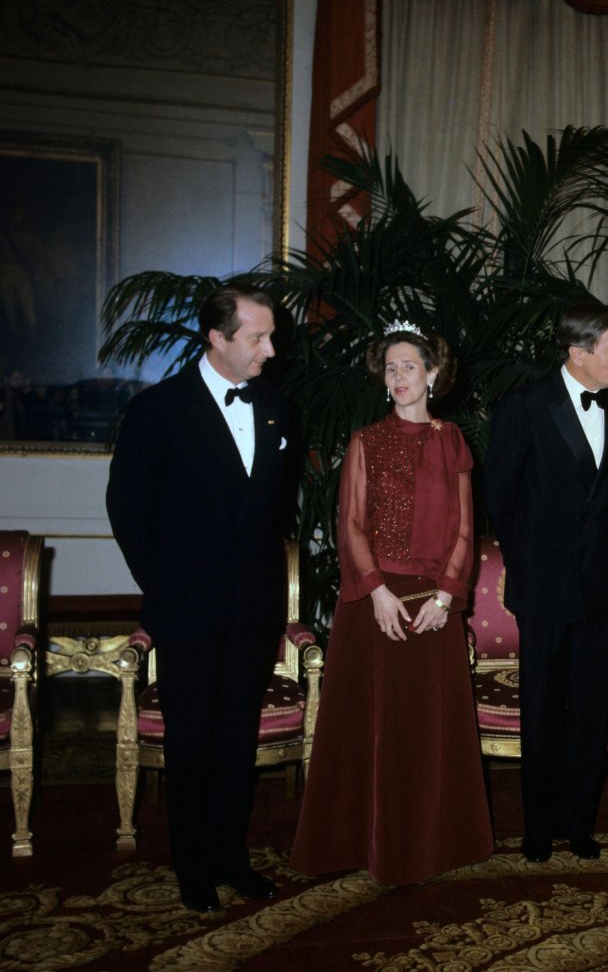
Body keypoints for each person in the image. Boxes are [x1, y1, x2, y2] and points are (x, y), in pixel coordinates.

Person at [106, 285, 291, 913]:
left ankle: (229, 857)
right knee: (191, 739)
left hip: (253, 605)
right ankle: (192, 867)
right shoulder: (157, 409)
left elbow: (270, 509)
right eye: (258, 337)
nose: (271, 349)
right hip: (186, 606)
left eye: (271, 336)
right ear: (217, 338)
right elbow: (128, 510)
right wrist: (165, 587)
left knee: (236, 737)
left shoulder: (274, 405)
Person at [291, 323, 493, 884]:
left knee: (427, 731)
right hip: (374, 602)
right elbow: (351, 524)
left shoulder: (453, 440)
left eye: (410, 366)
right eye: (391, 368)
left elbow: (465, 529)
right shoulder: (366, 441)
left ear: (433, 374)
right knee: (369, 727)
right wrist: (377, 590)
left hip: (434, 606)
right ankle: (363, 844)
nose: (400, 376)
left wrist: (446, 597)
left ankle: (430, 846)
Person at [483, 302, 608, 863]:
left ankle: (578, 823)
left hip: (601, 585)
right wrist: (529, 566)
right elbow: (499, 496)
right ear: (579, 352)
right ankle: (539, 826)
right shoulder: (525, 405)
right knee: (543, 708)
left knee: (591, 710)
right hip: (545, 586)